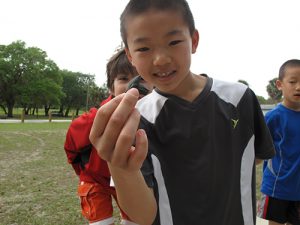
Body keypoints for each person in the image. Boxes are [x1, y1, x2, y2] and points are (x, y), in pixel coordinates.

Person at [89, 0, 275, 224]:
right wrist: (120, 167)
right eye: (144, 48)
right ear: (130, 55)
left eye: (174, 41)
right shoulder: (138, 118)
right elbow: (143, 216)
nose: (161, 59)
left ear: (194, 41)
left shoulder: (240, 98)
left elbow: (256, 157)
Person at [64, 48, 152, 225]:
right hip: (95, 180)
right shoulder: (92, 119)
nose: (133, 85)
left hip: (128, 180)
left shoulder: (156, 120)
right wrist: (84, 173)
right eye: (123, 79)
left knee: (134, 221)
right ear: (111, 87)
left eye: (141, 77)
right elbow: (71, 147)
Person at [257, 59, 300, 225]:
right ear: (280, 84)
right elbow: (259, 152)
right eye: (293, 81)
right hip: (278, 188)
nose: (298, 87)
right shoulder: (273, 117)